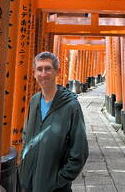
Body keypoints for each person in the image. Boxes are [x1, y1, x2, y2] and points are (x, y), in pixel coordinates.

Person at [18, 51, 89, 192]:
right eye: (39, 69)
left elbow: (80, 150)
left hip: (54, 188)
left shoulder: (71, 106)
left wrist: (58, 181)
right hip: (28, 184)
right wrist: (23, 167)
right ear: (34, 73)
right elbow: (27, 136)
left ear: (57, 71)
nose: (43, 74)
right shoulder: (34, 101)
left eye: (48, 68)